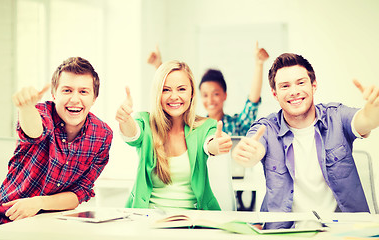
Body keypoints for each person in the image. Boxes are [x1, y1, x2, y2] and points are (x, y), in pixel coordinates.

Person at [232, 53, 379, 216]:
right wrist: (248, 155)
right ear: (275, 94)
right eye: (285, 86)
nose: (294, 92)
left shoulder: (335, 117)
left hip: (341, 229)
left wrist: (375, 108)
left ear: (314, 85)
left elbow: (367, 119)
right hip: (287, 231)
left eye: (300, 83)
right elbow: (254, 147)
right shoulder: (267, 127)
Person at [0, 57, 113, 225]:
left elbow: (80, 192)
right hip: (5, 218)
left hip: (52, 221)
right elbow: (34, 132)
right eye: (67, 90)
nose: (74, 99)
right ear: (54, 95)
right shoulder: (43, 113)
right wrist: (27, 108)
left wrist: (39, 202)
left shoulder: (102, 135)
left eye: (83, 92)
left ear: (94, 98)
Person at [116, 60, 232, 210]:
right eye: (166, 90)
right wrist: (125, 119)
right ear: (158, 93)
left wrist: (217, 145)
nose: (174, 96)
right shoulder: (145, 122)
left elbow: (210, 144)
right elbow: (133, 134)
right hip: (147, 221)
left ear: (191, 93)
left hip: (193, 223)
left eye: (181, 89)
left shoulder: (205, 126)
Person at [147, 42, 269, 136]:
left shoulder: (237, 124)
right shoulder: (194, 126)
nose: (210, 100)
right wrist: (158, 66)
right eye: (205, 95)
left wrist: (259, 64)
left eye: (215, 94)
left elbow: (252, 102)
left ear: (224, 95)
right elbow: (170, 107)